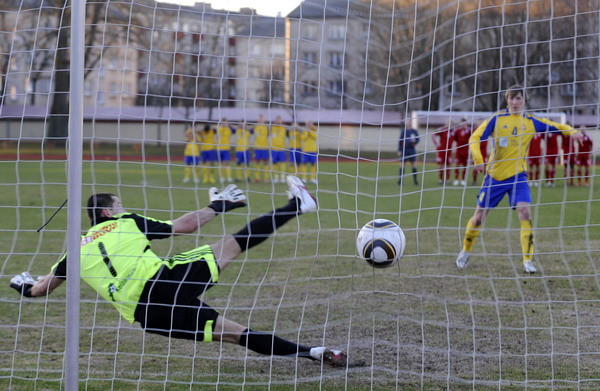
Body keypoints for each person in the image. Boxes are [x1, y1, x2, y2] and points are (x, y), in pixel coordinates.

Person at [9, 177, 348, 367]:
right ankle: (299, 205)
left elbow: (40, 290)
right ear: (106, 212)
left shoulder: (74, 252)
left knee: (234, 334)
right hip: (162, 285)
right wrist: (219, 206)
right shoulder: (126, 223)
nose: (123, 207)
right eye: (118, 204)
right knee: (234, 244)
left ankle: (315, 353)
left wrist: (21, 284)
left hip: (147, 317)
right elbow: (184, 226)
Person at [456, 84, 581, 274]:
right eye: (512, 98)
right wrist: (478, 159)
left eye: (519, 98)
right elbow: (475, 137)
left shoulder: (530, 121)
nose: (515, 102)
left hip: (518, 176)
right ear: (507, 100)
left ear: (524, 101)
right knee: (479, 217)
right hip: (494, 177)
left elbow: (555, 126)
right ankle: (465, 252)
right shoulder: (497, 119)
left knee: (525, 212)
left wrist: (572, 131)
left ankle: (528, 260)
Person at [451, 118, 471, 186]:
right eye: (462, 123)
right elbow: (455, 139)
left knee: (465, 166)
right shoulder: (457, 131)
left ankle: (463, 179)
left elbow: (472, 138)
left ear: (466, 124)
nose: (463, 125)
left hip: (466, 151)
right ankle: (456, 179)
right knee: (457, 165)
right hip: (459, 151)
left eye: (464, 123)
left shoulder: (469, 131)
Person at [252, 114, 270, 183]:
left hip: (264, 147)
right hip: (257, 147)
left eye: (262, 118)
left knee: (265, 162)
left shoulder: (267, 127)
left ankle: (266, 178)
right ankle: (257, 178)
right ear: (258, 120)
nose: (261, 120)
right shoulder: (255, 127)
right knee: (257, 162)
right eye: (260, 118)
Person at [270, 116, 288, 183]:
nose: (278, 121)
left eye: (279, 120)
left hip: (281, 149)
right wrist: (274, 122)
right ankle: (276, 177)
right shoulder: (272, 127)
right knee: (275, 163)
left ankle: (283, 177)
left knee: (282, 163)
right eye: (277, 120)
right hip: (274, 149)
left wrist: (281, 123)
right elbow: (269, 126)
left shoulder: (283, 127)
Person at [216, 118, 234, 183]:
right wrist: (222, 126)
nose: (224, 124)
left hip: (226, 148)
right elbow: (219, 132)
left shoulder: (228, 130)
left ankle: (229, 177)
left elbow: (232, 131)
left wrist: (228, 126)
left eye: (226, 122)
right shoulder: (219, 128)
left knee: (227, 163)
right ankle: (222, 177)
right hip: (219, 148)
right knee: (221, 164)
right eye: (223, 122)